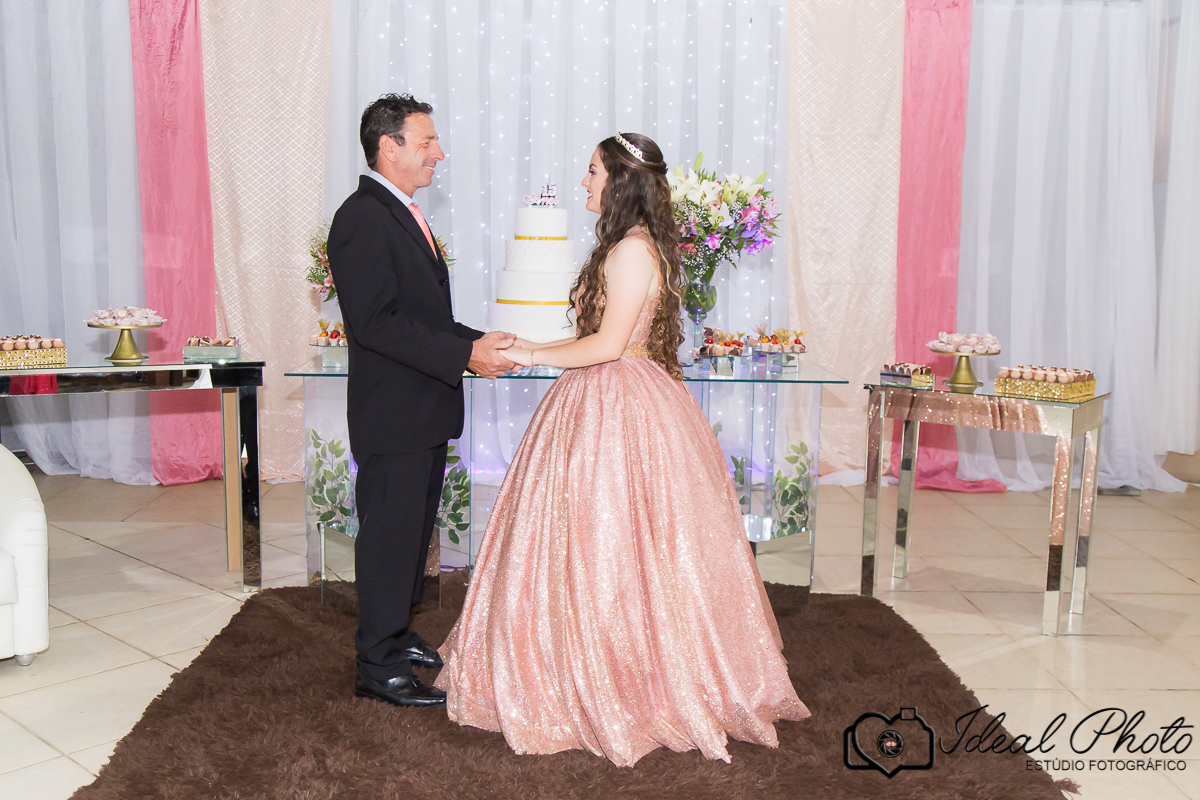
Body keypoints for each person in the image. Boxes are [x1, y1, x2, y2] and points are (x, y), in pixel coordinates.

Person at [434, 132, 810, 765]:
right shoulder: (629, 246)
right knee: (618, 540)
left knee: (612, 536)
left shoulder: (631, 251)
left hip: (616, 399)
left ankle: (622, 673)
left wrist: (528, 352)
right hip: (612, 394)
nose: (583, 183)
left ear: (619, 181)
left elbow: (607, 346)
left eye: (591, 172)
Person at [327, 94, 516, 708]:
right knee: (389, 540)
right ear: (390, 147)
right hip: (394, 415)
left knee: (410, 538)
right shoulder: (361, 218)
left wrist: (478, 341)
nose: (440, 152)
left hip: (420, 412)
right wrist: (465, 354)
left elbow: (422, 317)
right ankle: (377, 665)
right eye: (428, 140)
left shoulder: (400, 212)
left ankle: (397, 631)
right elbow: (377, 324)